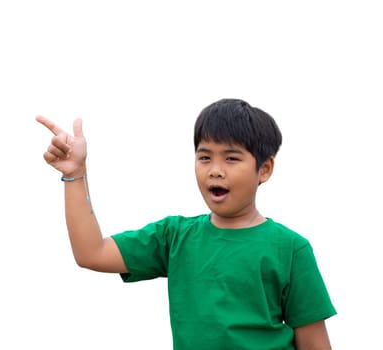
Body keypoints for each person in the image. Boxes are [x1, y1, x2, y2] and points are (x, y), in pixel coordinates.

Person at [36, 98, 336, 350]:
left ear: (265, 169)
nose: (215, 170)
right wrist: (75, 174)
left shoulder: (290, 249)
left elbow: (315, 345)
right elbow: (92, 253)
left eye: (231, 159)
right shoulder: (174, 237)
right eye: (205, 157)